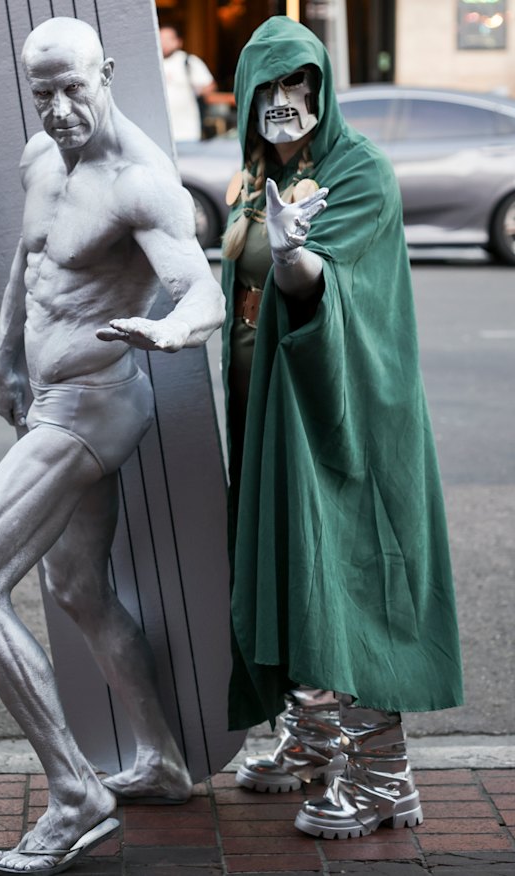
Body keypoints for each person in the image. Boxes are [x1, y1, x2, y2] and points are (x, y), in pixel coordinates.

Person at [0, 16, 225, 875]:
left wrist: (169, 333)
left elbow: (200, 291)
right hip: (47, 398)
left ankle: (76, 793)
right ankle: (165, 763)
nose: (61, 110)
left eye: (75, 89)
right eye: (43, 94)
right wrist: (2, 353)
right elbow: (31, 267)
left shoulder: (140, 183)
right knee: (75, 586)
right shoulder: (40, 156)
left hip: (92, 407)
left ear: (106, 71)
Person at [220, 16, 463, 839]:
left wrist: (294, 252)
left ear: (322, 88)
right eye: (273, 85)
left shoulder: (358, 171)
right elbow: (241, 282)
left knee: (355, 566)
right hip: (270, 411)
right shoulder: (256, 175)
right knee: (292, 565)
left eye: (302, 83)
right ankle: (318, 731)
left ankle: (385, 775)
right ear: (249, 92)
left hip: (345, 409)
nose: (287, 101)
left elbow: (319, 279)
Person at [159, 25, 216, 142]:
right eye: (160, 39)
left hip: (187, 130)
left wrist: (196, 92)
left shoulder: (188, 61)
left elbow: (209, 85)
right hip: (160, 131)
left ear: (178, 42)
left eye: (167, 39)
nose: (163, 43)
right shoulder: (152, 63)